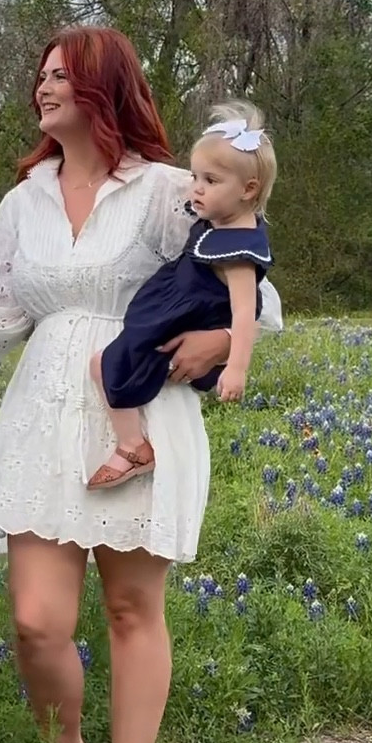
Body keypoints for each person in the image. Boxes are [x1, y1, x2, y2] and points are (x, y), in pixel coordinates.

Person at [0, 28, 281, 743]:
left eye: (59, 75)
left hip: (141, 402)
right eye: (40, 73)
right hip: (43, 411)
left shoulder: (168, 189)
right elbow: (0, 315)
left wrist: (220, 347)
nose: (42, 88)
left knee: (131, 606)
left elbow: (257, 298)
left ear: (101, 88)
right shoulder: (24, 200)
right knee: (36, 620)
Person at [86, 102, 275, 488]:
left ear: (248, 189)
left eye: (210, 180)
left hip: (176, 325)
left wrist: (237, 367)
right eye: (195, 177)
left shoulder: (240, 252)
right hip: (172, 313)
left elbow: (244, 314)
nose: (196, 188)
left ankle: (132, 446)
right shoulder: (214, 223)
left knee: (101, 364)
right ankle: (133, 440)